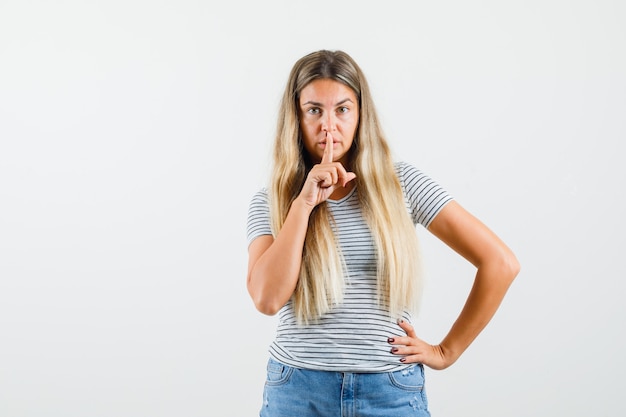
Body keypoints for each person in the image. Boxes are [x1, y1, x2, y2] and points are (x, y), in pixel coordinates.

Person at [246, 49, 520, 417]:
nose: (329, 126)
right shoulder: (272, 201)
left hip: (388, 391)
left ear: (361, 115)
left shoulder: (400, 184)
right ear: (295, 116)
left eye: (342, 109)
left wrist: (446, 351)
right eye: (314, 110)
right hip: (298, 391)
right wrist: (303, 204)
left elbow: (500, 262)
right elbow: (266, 299)